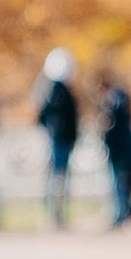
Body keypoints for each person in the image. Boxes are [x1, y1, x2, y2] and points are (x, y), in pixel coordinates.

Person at [35, 50, 80, 226]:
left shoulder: (59, 90)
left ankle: (57, 214)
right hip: (59, 140)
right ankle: (55, 214)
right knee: (58, 177)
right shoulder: (56, 91)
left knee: (59, 177)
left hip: (62, 140)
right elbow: (46, 116)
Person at [98, 81, 131, 225]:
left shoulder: (113, 102)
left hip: (120, 151)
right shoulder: (121, 103)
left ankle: (123, 213)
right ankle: (128, 212)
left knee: (122, 182)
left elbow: (113, 125)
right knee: (128, 181)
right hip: (124, 150)